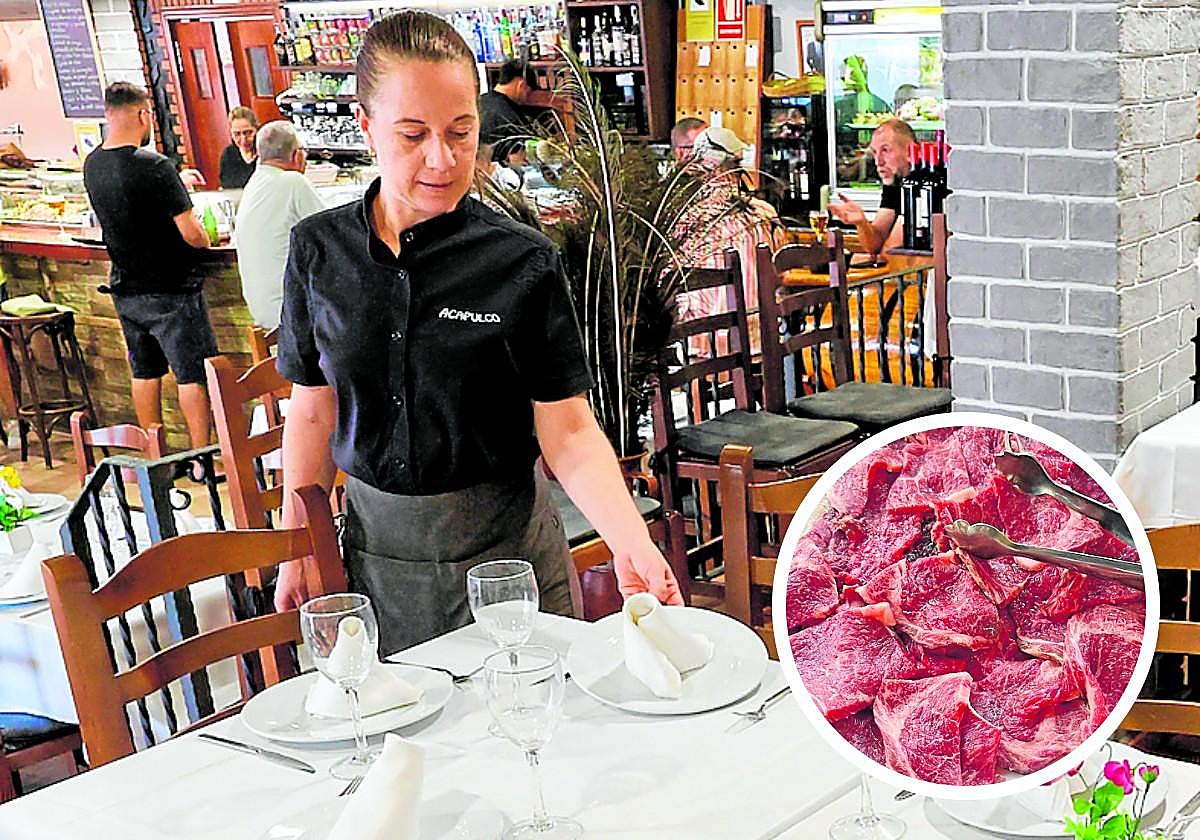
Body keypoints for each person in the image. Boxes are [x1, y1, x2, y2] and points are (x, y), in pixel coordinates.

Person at [274, 11, 681, 655]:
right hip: (377, 552)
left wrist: (632, 541)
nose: (442, 158)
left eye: (461, 133)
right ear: (366, 126)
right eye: (413, 135)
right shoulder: (319, 251)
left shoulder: (521, 260)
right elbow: (314, 409)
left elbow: (567, 427)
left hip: (507, 550)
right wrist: (298, 542)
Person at [82, 82, 218, 450]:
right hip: (171, 288)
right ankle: (200, 456)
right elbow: (192, 234)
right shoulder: (155, 166)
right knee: (191, 375)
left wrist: (176, 182)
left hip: (126, 288)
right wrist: (207, 237)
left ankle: (154, 452)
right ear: (143, 114)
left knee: (145, 371)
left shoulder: (92, 164)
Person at [674, 126, 781, 358]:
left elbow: (669, 282)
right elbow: (780, 267)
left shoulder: (681, 218)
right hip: (759, 338)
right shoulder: (763, 213)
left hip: (702, 343)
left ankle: (697, 392)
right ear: (736, 166)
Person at [234, 121, 325, 330]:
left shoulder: (254, 183)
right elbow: (333, 236)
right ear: (297, 155)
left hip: (263, 313)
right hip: (293, 316)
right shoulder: (293, 182)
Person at [826, 118, 916, 256]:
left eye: (885, 150)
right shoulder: (893, 183)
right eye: (874, 152)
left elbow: (888, 255)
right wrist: (862, 223)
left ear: (910, 151)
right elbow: (874, 246)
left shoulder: (922, 185)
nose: (878, 161)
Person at [478, 59, 538, 166]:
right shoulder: (511, 116)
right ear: (522, 85)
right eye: (528, 93)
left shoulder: (479, 102)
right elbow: (520, 158)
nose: (527, 99)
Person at [219, 106, 259, 189]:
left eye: (248, 133)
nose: (243, 140)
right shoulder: (228, 155)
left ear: (257, 129)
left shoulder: (266, 152)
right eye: (237, 134)